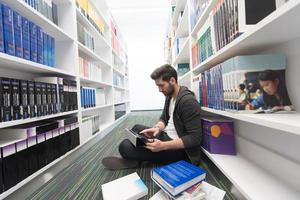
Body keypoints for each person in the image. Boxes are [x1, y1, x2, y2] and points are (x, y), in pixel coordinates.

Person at [102, 64, 202, 170]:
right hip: (166, 135)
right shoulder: (170, 95)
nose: (159, 90)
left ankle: (134, 160)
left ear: (172, 80)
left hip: (178, 150)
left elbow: (195, 138)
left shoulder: (188, 102)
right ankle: (137, 158)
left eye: (161, 85)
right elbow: (164, 117)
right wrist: (157, 128)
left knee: (125, 146)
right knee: (137, 129)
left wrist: (163, 146)